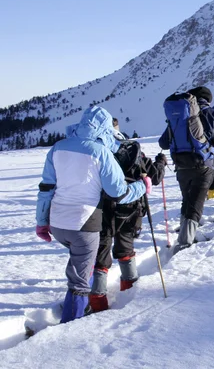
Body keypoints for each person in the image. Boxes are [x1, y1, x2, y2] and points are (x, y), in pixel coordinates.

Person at [35, 106, 150, 323]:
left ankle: (80, 303)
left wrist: (42, 221)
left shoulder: (58, 148)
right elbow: (119, 193)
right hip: (84, 223)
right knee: (79, 280)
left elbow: (46, 188)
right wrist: (143, 186)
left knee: (79, 266)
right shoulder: (101, 153)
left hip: (58, 223)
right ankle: (71, 322)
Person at [89, 142, 167, 313]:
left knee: (101, 252)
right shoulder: (138, 157)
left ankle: (97, 300)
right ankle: (129, 289)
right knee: (125, 249)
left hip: (103, 210)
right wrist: (161, 162)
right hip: (130, 211)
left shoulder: (100, 156)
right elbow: (155, 177)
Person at [159, 86, 214, 250]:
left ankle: (186, 233)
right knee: (195, 203)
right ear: (207, 100)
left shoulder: (181, 116)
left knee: (188, 200)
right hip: (203, 165)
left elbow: (163, 143)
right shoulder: (213, 114)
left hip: (181, 165)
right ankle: (184, 242)